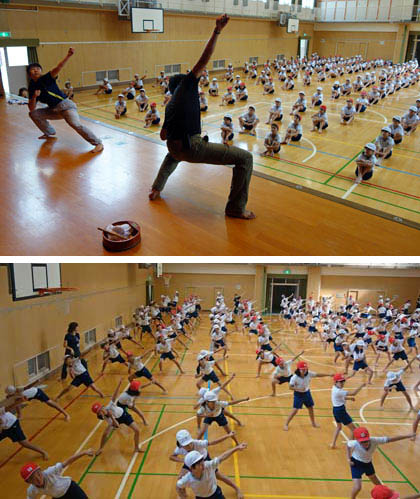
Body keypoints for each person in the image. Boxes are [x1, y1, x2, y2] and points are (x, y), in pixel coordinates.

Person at [148, 14, 255, 220]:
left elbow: (163, 135)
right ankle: (235, 208)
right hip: (193, 148)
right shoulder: (186, 88)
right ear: (185, 84)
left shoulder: (170, 105)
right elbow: (204, 59)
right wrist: (217, 31)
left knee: (172, 156)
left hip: (175, 147)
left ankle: (155, 189)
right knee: (245, 158)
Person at [27, 51, 103, 152]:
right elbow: (31, 108)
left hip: (66, 106)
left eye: (38, 68)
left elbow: (59, 67)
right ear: (29, 74)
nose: (36, 70)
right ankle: (49, 132)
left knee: (75, 124)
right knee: (33, 114)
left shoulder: (47, 78)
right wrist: (34, 97)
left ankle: (98, 143)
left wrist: (68, 55)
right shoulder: (32, 86)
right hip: (53, 109)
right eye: (33, 69)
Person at [170, 429, 243, 498]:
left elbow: (213, 442)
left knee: (219, 476)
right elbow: (172, 457)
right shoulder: (179, 449)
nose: (189, 446)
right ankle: (183, 495)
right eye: (186, 445)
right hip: (191, 463)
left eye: (189, 443)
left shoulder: (198, 443)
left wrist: (228, 435)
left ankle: (236, 488)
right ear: (181, 445)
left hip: (203, 460)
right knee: (180, 478)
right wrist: (183, 460)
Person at [346, 427, 415, 499]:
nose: (365, 443)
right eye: (362, 442)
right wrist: (348, 458)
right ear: (357, 440)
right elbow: (347, 445)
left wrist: (408, 435)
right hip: (356, 464)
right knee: (357, 487)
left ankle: (386, 493)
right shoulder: (354, 443)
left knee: (376, 481)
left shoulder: (375, 440)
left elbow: (391, 439)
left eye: (366, 440)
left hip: (367, 463)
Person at [92, 378, 144, 455]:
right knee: (105, 434)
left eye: (100, 409)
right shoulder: (105, 417)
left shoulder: (109, 406)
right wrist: (111, 417)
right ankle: (100, 449)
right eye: (98, 412)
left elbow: (114, 395)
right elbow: (117, 425)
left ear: (102, 407)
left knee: (137, 430)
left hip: (124, 415)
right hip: (115, 420)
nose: (100, 412)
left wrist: (119, 384)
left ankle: (137, 448)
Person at [176, 443, 247, 499]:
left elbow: (222, 457)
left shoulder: (208, 465)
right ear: (192, 468)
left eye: (202, 461)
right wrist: (182, 496)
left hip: (216, 494)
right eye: (199, 464)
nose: (203, 464)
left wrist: (237, 448)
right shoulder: (187, 479)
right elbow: (178, 486)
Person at [21, 449, 94, 498]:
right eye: (32, 478)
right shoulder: (32, 490)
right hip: (58, 497)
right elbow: (30, 497)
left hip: (71, 489)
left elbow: (67, 462)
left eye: (38, 474)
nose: (38, 479)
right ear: (28, 482)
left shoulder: (50, 472)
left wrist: (84, 452)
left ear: (41, 471)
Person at [283, 361, 333, 431]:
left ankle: (313, 423)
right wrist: (299, 389)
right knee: (295, 410)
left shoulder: (309, 373)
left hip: (307, 393)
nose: (304, 370)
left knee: (310, 408)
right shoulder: (294, 377)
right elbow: (290, 387)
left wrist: (329, 374)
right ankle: (286, 424)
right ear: (299, 369)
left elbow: (318, 374)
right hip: (298, 394)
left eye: (305, 369)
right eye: (302, 369)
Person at [330, 374, 365, 448]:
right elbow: (353, 393)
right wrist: (361, 385)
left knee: (339, 427)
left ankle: (333, 444)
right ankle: (350, 446)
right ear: (335, 382)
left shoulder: (334, 388)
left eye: (343, 381)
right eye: (340, 382)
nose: (342, 383)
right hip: (341, 411)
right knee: (354, 429)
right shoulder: (338, 391)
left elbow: (340, 397)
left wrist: (349, 398)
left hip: (335, 410)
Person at [4, 385, 70, 421]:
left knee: (50, 403)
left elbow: (26, 389)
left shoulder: (20, 391)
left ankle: (66, 414)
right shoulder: (15, 392)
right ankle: (19, 416)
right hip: (29, 396)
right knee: (16, 403)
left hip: (37, 393)